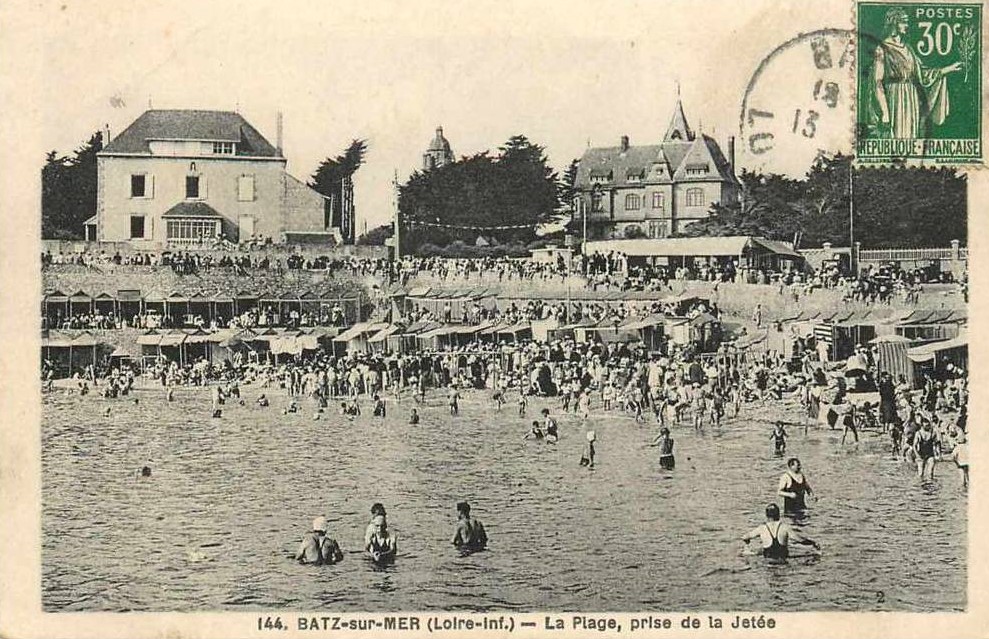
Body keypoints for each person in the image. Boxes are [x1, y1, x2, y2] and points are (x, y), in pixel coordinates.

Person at [742, 504, 819, 563]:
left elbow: (745, 537)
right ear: (778, 515)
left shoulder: (762, 528)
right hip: (783, 560)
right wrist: (813, 543)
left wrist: (747, 542)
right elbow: (800, 540)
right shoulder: (784, 527)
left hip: (767, 561)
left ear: (766, 515)